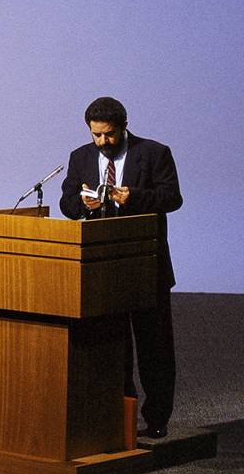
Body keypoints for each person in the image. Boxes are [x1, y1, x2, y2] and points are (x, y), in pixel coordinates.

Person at [59, 96, 182, 439]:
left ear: (124, 126)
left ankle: (157, 418)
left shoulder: (155, 153)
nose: (102, 142)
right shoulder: (80, 157)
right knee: (113, 347)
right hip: (102, 270)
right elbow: (66, 202)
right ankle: (119, 415)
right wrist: (81, 204)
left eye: (109, 135)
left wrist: (136, 197)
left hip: (146, 267)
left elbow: (173, 197)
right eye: (96, 135)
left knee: (154, 347)